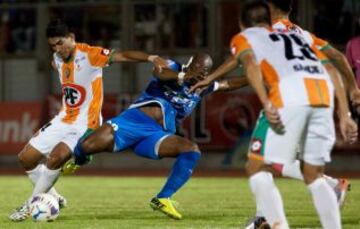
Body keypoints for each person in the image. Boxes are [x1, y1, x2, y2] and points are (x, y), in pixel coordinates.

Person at [195, 1, 358, 228]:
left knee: (257, 165)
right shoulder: (301, 35)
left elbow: (247, 63)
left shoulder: (259, 35)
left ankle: (271, 222)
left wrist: (216, 81)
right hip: (322, 98)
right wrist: (345, 110)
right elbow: (333, 64)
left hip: (289, 97)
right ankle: (325, 194)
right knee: (309, 172)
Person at [9, 19, 168, 222]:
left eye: (60, 43)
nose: (57, 49)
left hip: (85, 124)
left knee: (56, 158)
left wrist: (151, 57)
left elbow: (123, 55)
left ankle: (31, 204)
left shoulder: (90, 55)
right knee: (26, 158)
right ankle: (55, 198)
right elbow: (59, 67)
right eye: (53, 45)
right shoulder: (57, 58)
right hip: (64, 118)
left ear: (72, 38)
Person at [70, 53, 248, 220]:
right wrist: (181, 77)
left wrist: (257, 78)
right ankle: (78, 159)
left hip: (156, 135)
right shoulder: (173, 66)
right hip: (133, 121)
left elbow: (228, 84)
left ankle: (163, 198)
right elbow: (159, 71)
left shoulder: (203, 87)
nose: (199, 73)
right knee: (86, 146)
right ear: (190, 64)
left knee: (191, 150)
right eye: (197, 68)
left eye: (204, 71)